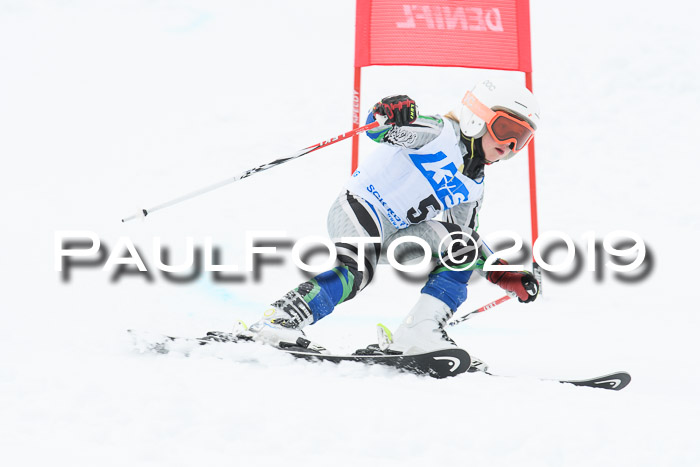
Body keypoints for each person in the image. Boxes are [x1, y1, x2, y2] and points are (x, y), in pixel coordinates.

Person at [240, 77, 541, 357]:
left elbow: (463, 241)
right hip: (361, 206)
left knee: (463, 247)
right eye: (506, 130)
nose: (510, 146)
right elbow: (380, 130)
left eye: (522, 139)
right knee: (358, 271)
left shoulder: (474, 186)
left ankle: (419, 334)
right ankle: (279, 320)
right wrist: (389, 111)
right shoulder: (438, 133)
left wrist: (503, 274)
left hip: (397, 235)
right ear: (478, 116)